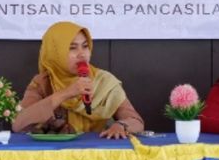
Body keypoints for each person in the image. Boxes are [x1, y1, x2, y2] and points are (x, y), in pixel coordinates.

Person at [12, 21, 144, 139]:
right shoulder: (43, 82)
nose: (82, 54)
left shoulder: (104, 81)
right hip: (54, 156)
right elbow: (19, 124)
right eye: (72, 48)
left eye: (85, 46)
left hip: (97, 156)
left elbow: (136, 121)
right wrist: (67, 92)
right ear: (55, 53)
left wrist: (122, 125)